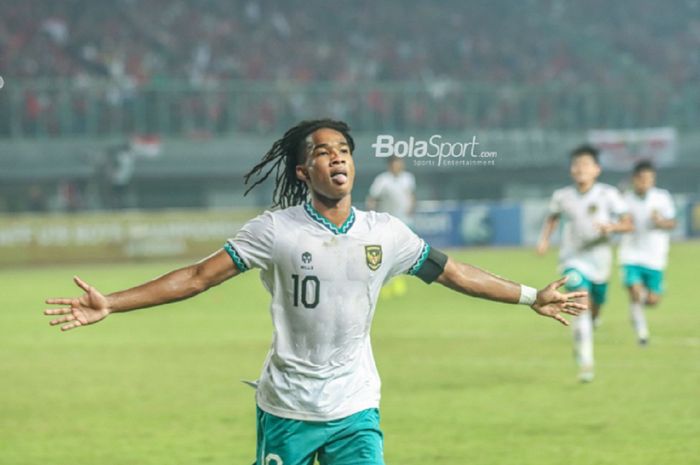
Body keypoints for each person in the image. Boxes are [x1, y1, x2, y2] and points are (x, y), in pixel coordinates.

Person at [45, 119, 586, 465]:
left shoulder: (386, 232)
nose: (338, 157)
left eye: (345, 149)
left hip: (356, 406)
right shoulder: (274, 231)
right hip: (288, 407)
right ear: (305, 170)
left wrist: (529, 294)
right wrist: (111, 302)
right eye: (325, 152)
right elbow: (196, 277)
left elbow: (453, 272)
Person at [537, 144, 633, 383]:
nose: (580, 169)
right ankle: (586, 361)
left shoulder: (608, 194)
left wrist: (612, 227)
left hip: (600, 261)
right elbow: (552, 218)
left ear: (596, 169)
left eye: (585, 165)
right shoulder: (562, 196)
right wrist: (544, 240)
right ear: (571, 170)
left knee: (595, 307)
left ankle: (591, 326)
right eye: (576, 165)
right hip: (572, 259)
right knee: (580, 302)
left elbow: (628, 223)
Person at [619, 161, 676, 346]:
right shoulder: (624, 199)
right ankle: (642, 334)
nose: (645, 183)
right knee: (635, 291)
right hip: (631, 254)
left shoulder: (662, 198)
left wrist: (660, 222)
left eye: (649, 179)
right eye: (642, 179)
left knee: (652, 301)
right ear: (634, 179)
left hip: (655, 256)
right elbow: (616, 222)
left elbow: (672, 223)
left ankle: (637, 308)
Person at [366, 155, 416, 297]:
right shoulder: (382, 180)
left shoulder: (408, 178)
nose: (398, 165)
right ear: (390, 165)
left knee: (403, 254)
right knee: (386, 254)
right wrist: (372, 217)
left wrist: (411, 206)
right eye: (395, 163)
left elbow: (410, 195)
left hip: (404, 221)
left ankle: (397, 282)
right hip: (386, 222)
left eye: (400, 162)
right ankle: (385, 283)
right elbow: (372, 198)